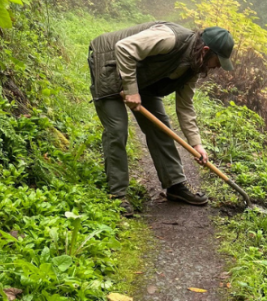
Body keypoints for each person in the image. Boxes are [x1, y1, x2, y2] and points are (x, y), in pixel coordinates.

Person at [88, 21, 235, 209]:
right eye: (218, 62)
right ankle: (117, 194)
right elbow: (124, 48)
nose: (217, 68)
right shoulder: (169, 38)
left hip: (142, 77)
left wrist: (196, 144)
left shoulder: (195, 65)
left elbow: (185, 107)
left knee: (161, 127)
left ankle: (175, 185)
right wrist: (131, 90)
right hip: (108, 64)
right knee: (117, 129)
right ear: (206, 51)